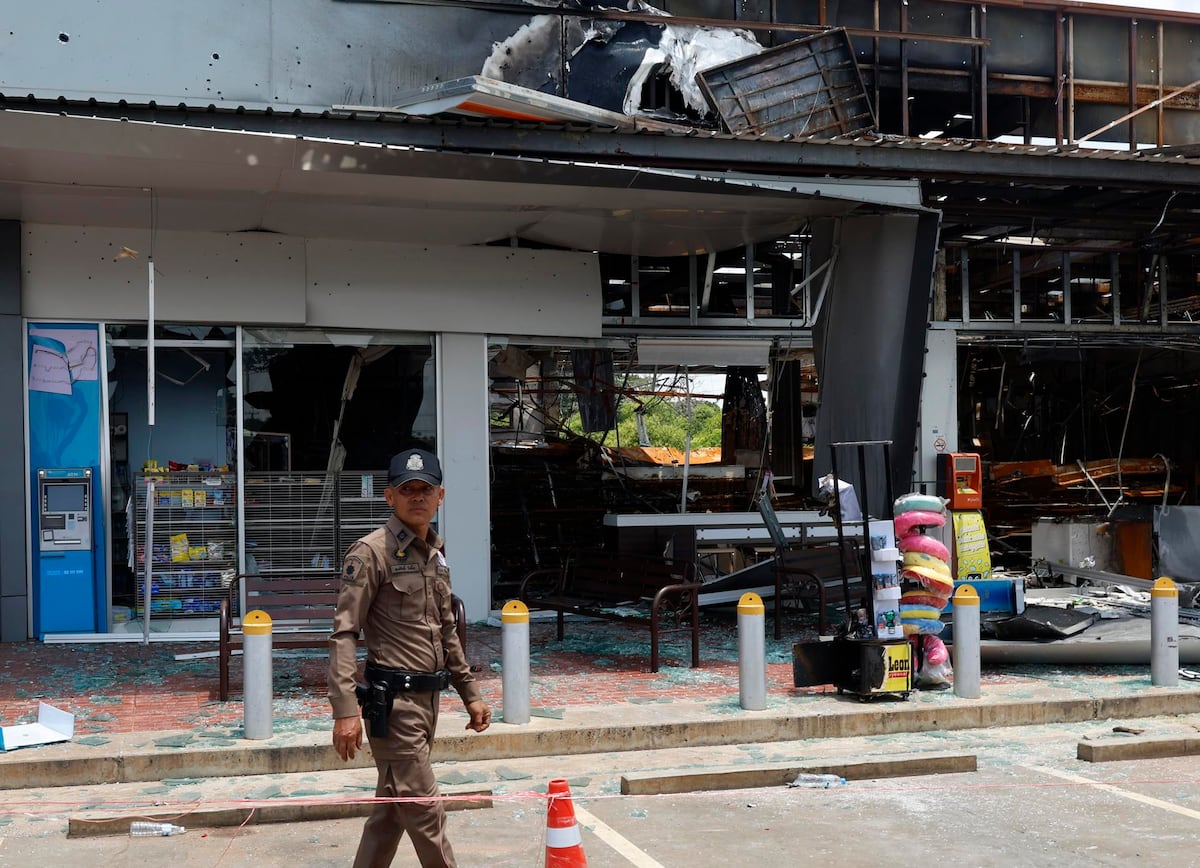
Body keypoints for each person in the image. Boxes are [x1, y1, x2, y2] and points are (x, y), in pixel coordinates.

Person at [329, 448, 491, 868]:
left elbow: (446, 630)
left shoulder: (433, 553)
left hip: (428, 702)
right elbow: (345, 633)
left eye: (425, 489)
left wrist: (469, 693)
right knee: (425, 812)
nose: (416, 497)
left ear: (440, 495)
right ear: (389, 497)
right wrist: (344, 711)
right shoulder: (370, 553)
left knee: (390, 812)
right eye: (407, 490)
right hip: (394, 706)